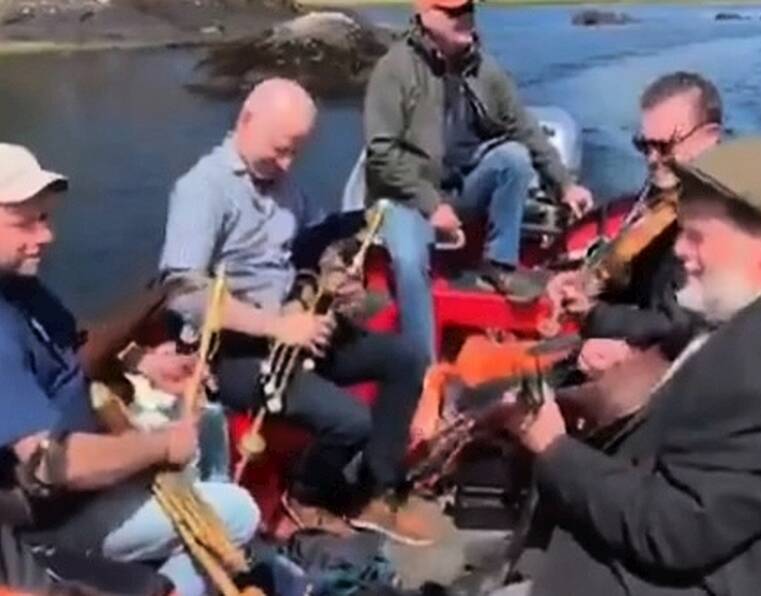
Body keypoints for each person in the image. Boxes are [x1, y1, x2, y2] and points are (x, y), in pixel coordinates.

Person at [509, 136, 761, 595]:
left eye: (697, 235)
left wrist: (553, 448)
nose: (680, 250)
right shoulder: (756, 314)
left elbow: (674, 531)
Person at [159, 78, 435, 545]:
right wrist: (277, 325)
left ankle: (375, 490)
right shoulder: (201, 189)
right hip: (235, 352)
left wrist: (333, 276)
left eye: (295, 153)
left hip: (296, 326)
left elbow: (316, 243)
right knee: (351, 421)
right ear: (247, 120)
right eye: (280, 149)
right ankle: (304, 498)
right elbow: (183, 291)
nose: (287, 164)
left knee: (406, 357)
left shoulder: (283, 184)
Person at [0, 143, 260, 596]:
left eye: (45, 218)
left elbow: (70, 347)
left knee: (206, 429)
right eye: (25, 223)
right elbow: (53, 465)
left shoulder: (20, 287)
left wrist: (144, 361)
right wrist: (157, 447)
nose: (46, 236)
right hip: (53, 517)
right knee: (240, 512)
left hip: (85, 475)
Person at [363, 0, 593, 362]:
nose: (465, 17)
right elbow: (381, 154)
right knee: (408, 262)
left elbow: (524, 127)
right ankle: (422, 368)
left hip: (459, 187)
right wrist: (430, 205)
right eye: (453, 11)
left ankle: (498, 268)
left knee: (512, 158)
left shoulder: (484, 68)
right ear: (425, 15)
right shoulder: (394, 70)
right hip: (406, 196)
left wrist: (564, 184)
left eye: (469, 8)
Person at [551, 72, 722, 377]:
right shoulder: (664, 201)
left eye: (665, 146)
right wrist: (581, 285)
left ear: (709, 137)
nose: (652, 159)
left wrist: (595, 315)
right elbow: (642, 281)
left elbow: (680, 323)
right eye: (644, 146)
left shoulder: (722, 220)